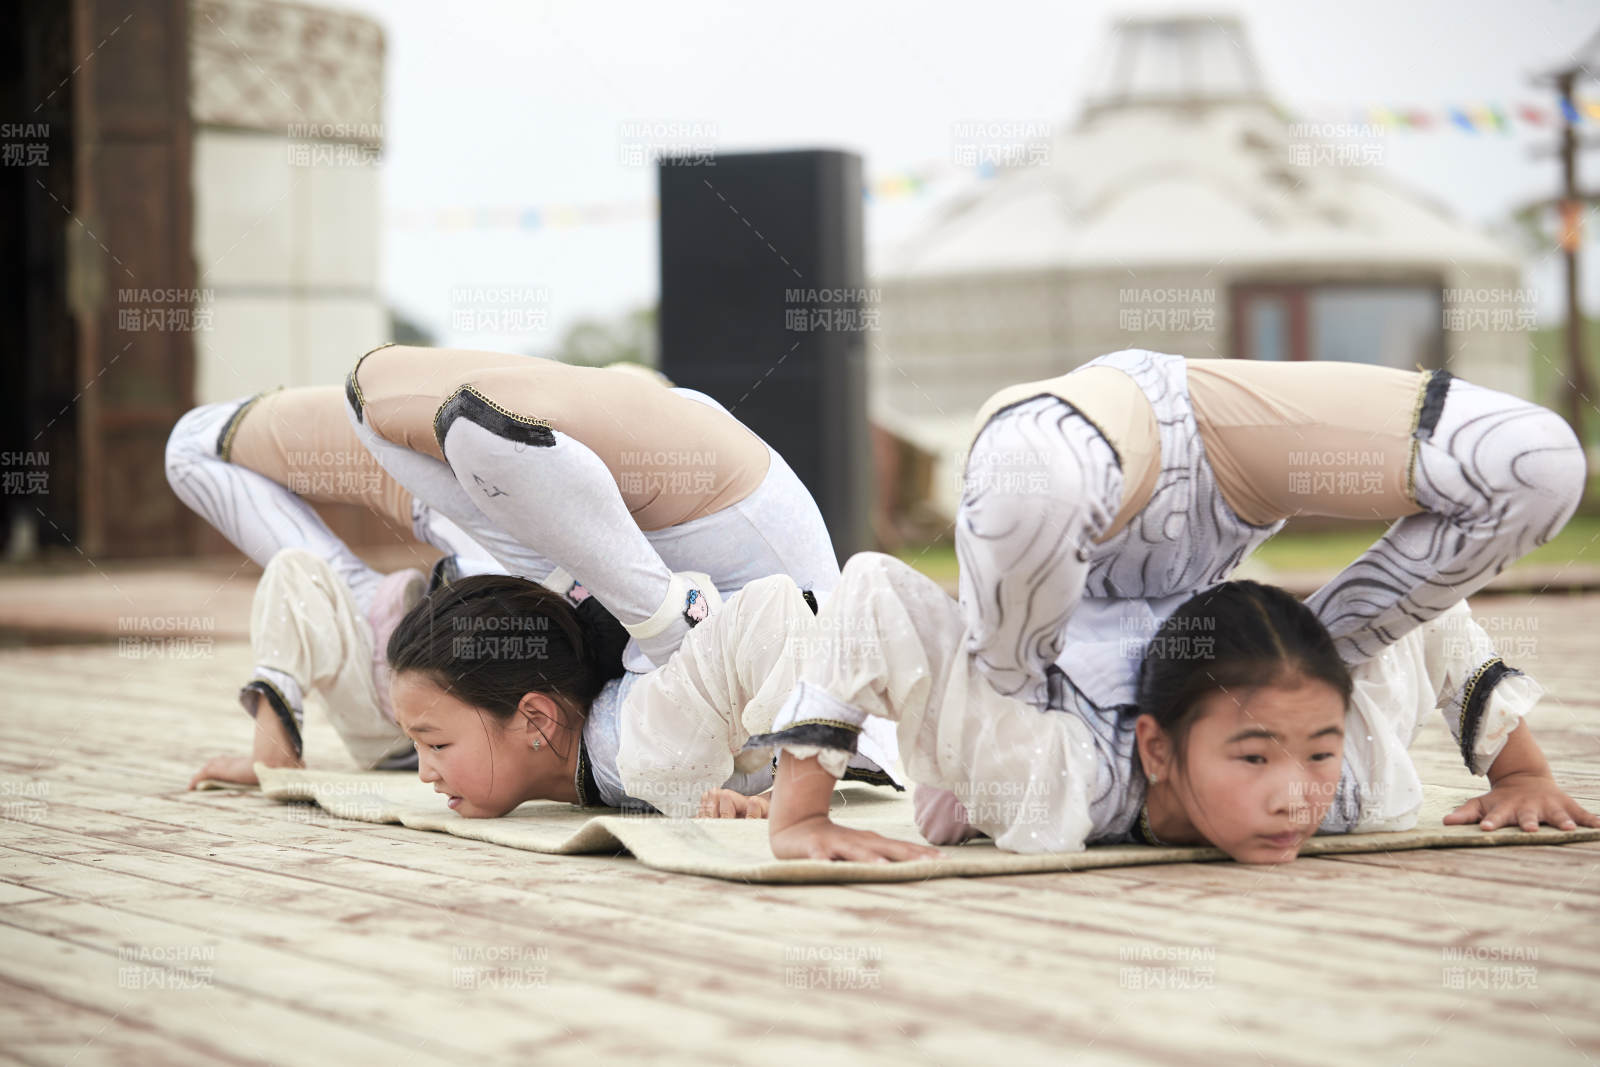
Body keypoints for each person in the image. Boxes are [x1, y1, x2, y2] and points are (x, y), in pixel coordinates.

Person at [726, 553, 1597, 864]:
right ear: (1157, 751)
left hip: (1188, 607)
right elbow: (874, 589)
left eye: (1317, 752)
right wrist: (799, 814)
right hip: (1064, 663)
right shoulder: (1055, 774)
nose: (1299, 796)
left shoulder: (1358, 771)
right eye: (1254, 758)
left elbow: (1427, 601)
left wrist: (1522, 771)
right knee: (960, 774)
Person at [958, 351, 1587, 709]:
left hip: (1171, 442)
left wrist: (1519, 772)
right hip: (1052, 539)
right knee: (1037, 489)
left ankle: (1302, 668)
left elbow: (1434, 624)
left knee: (1536, 465)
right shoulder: (1028, 752)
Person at [343, 343, 840, 670]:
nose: (431, 776)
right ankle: (648, 619)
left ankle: (656, 624)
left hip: (728, 605)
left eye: (438, 746)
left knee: (374, 395)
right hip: (735, 583)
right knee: (379, 395)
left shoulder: (612, 733)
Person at [165, 385, 499, 787]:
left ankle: (273, 753)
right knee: (190, 446)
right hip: (393, 627)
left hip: (400, 708)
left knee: (293, 569)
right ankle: (365, 401)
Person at [384, 573, 899, 818]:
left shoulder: (633, 738)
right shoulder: (613, 755)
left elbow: (771, 612)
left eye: (437, 745)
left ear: (536, 721)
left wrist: (783, 797)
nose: (426, 772)